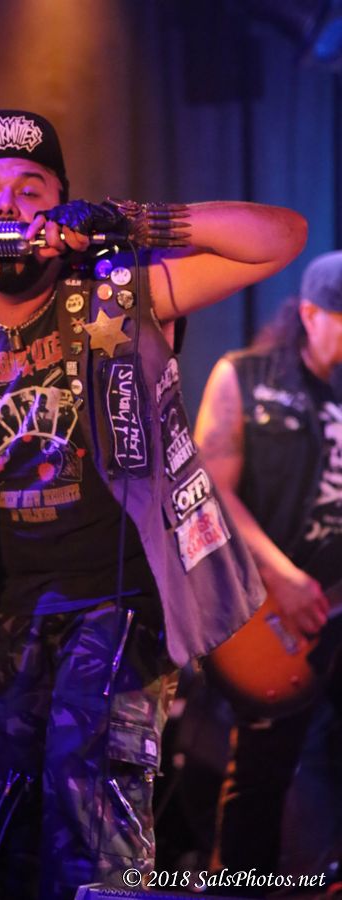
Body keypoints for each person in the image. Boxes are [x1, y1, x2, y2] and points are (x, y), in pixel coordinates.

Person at [0, 108, 306, 900]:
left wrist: (129, 221)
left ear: (60, 207)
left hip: (120, 602)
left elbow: (281, 237)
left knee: (92, 826)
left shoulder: (121, 287)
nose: (8, 204)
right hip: (13, 616)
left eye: (30, 188)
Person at [195, 252, 342, 884]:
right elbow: (209, 488)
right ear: (309, 313)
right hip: (278, 611)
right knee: (261, 776)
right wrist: (282, 575)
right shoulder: (245, 377)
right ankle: (238, 890)